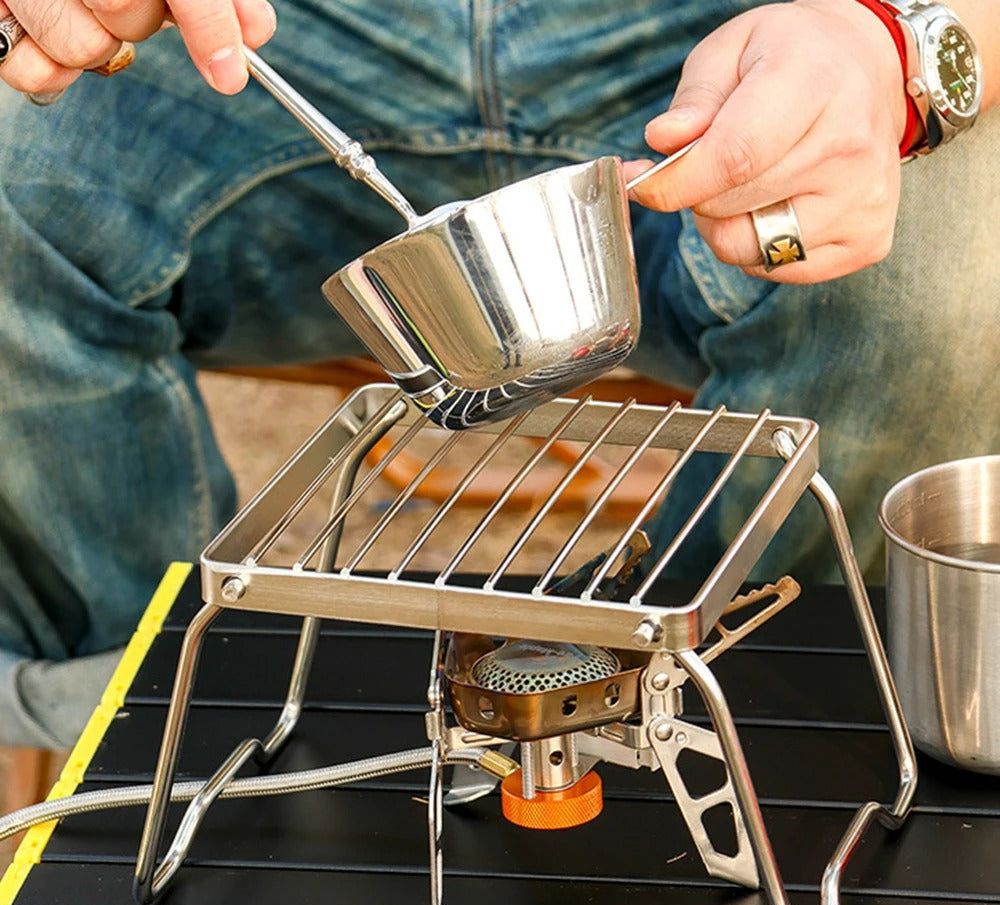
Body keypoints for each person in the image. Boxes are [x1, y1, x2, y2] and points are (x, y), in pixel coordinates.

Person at [0, 0, 997, 748]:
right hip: (280, 42)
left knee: (949, 270)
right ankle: (150, 737)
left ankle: (756, 723)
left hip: (723, 39)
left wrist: (896, 43)